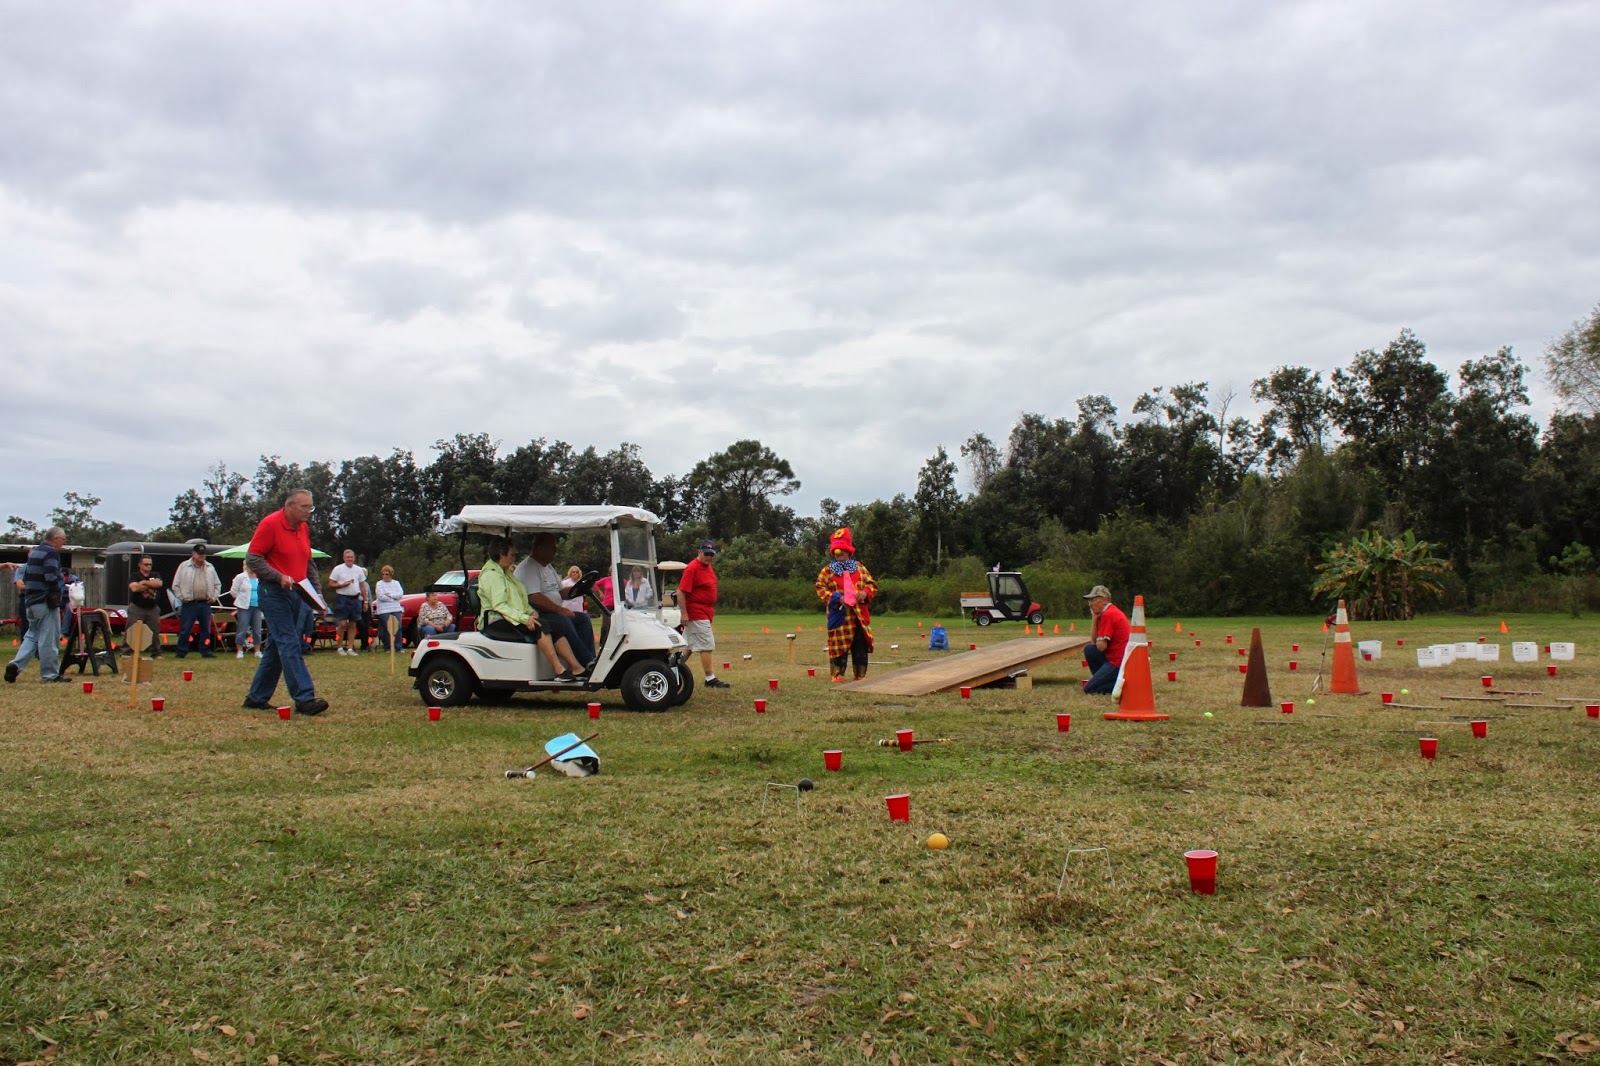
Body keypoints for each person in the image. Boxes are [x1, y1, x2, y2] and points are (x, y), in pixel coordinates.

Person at [242, 488, 328, 716]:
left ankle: (256, 698)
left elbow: (308, 563)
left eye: (310, 507)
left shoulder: (303, 528)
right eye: (304, 507)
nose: (309, 511)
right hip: (273, 592)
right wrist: (278, 576)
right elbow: (253, 558)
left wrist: (317, 595)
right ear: (289, 506)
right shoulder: (270, 524)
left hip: (297, 592)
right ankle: (305, 698)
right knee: (289, 642)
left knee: (277, 646)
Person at [478, 538, 582, 679]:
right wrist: (524, 618)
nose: (514, 558)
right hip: (497, 621)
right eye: (511, 555)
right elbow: (500, 606)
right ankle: (559, 669)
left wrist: (530, 611)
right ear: (501, 555)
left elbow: (519, 599)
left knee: (557, 626)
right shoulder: (492, 575)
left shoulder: (506, 574)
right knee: (542, 625)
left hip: (511, 617)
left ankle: (576, 667)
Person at [516, 533, 596, 669]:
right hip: (537, 613)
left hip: (552, 611)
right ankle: (585, 660)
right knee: (563, 620)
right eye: (552, 548)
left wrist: (579, 588)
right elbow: (534, 597)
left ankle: (590, 659)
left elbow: (560, 591)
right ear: (540, 548)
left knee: (583, 619)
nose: (555, 551)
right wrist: (560, 610)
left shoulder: (548, 567)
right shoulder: (528, 568)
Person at [5, 527, 70, 684]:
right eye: (63, 540)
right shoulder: (51, 552)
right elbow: (50, 576)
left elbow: (27, 576)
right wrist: (58, 592)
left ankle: (15, 665)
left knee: (32, 635)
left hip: (30, 601)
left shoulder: (35, 552)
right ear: (56, 539)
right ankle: (50, 675)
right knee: (49, 638)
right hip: (45, 601)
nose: (63, 543)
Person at [816, 527, 878, 681]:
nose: (839, 553)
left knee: (860, 645)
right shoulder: (827, 571)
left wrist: (865, 593)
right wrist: (837, 598)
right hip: (840, 615)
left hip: (859, 616)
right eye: (836, 551)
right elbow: (820, 588)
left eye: (842, 550)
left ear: (849, 551)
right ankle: (837, 674)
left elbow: (871, 584)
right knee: (838, 645)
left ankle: (860, 675)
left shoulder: (859, 568)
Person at [677, 539, 728, 688]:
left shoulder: (708, 567)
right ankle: (710, 679)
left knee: (688, 646)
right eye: (706, 554)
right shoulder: (692, 568)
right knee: (706, 645)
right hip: (696, 612)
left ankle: (672, 668)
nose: (709, 557)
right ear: (699, 552)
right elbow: (681, 592)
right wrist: (684, 613)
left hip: (705, 612)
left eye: (711, 554)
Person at [172, 544, 221, 659]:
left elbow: (217, 584)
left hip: (205, 603)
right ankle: (181, 651)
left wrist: (214, 597)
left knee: (206, 630)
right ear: (193, 554)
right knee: (186, 629)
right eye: (199, 554)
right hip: (189, 603)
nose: (201, 556)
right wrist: (181, 597)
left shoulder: (210, 567)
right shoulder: (184, 566)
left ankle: (206, 650)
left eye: (203, 554)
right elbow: (176, 585)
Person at [1082, 584, 1130, 695]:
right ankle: (1105, 680)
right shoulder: (1108, 612)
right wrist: (1094, 618)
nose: (1090, 604)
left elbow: (1101, 646)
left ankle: (1124, 686)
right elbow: (1094, 642)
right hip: (1116, 659)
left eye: (1093, 600)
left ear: (1104, 600)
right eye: (1089, 601)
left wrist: (1100, 639)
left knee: (1089, 689)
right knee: (1089, 649)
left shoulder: (1109, 614)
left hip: (1117, 662)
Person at [327, 549, 367, 655]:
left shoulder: (358, 570)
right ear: (344, 558)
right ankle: (339, 647)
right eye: (347, 557)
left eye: (351, 557)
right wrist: (341, 585)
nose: (349, 559)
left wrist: (366, 601)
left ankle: (350, 648)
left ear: (354, 558)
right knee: (342, 624)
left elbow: (363, 586)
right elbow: (331, 584)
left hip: (355, 599)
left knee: (353, 624)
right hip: (342, 598)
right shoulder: (338, 569)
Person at [127, 555, 166, 658]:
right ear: (140, 565)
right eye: (146, 564)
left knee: (154, 631)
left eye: (150, 564)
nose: (148, 566)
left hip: (152, 607)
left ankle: (156, 653)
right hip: (137, 607)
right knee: (131, 630)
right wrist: (151, 584)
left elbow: (159, 584)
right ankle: (125, 652)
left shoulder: (155, 574)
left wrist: (144, 582)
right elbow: (134, 588)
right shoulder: (134, 576)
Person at [230, 566, 262, 658]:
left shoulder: (260, 577)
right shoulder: (240, 577)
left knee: (257, 630)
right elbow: (233, 592)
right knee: (242, 629)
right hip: (244, 607)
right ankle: (240, 651)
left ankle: (257, 651)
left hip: (257, 607)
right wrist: (241, 599)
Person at [373, 565, 405, 651]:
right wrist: (392, 599)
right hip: (384, 609)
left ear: (390, 574)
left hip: (396, 608)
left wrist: (390, 595)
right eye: (383, 574)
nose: (384, 576)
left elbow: (400, 594)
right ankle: (388, 647)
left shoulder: (396, 583)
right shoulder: (379, 584)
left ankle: (398, 647)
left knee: (398, 627)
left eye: (386, 574)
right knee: (387, 628)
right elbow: (380, 596)